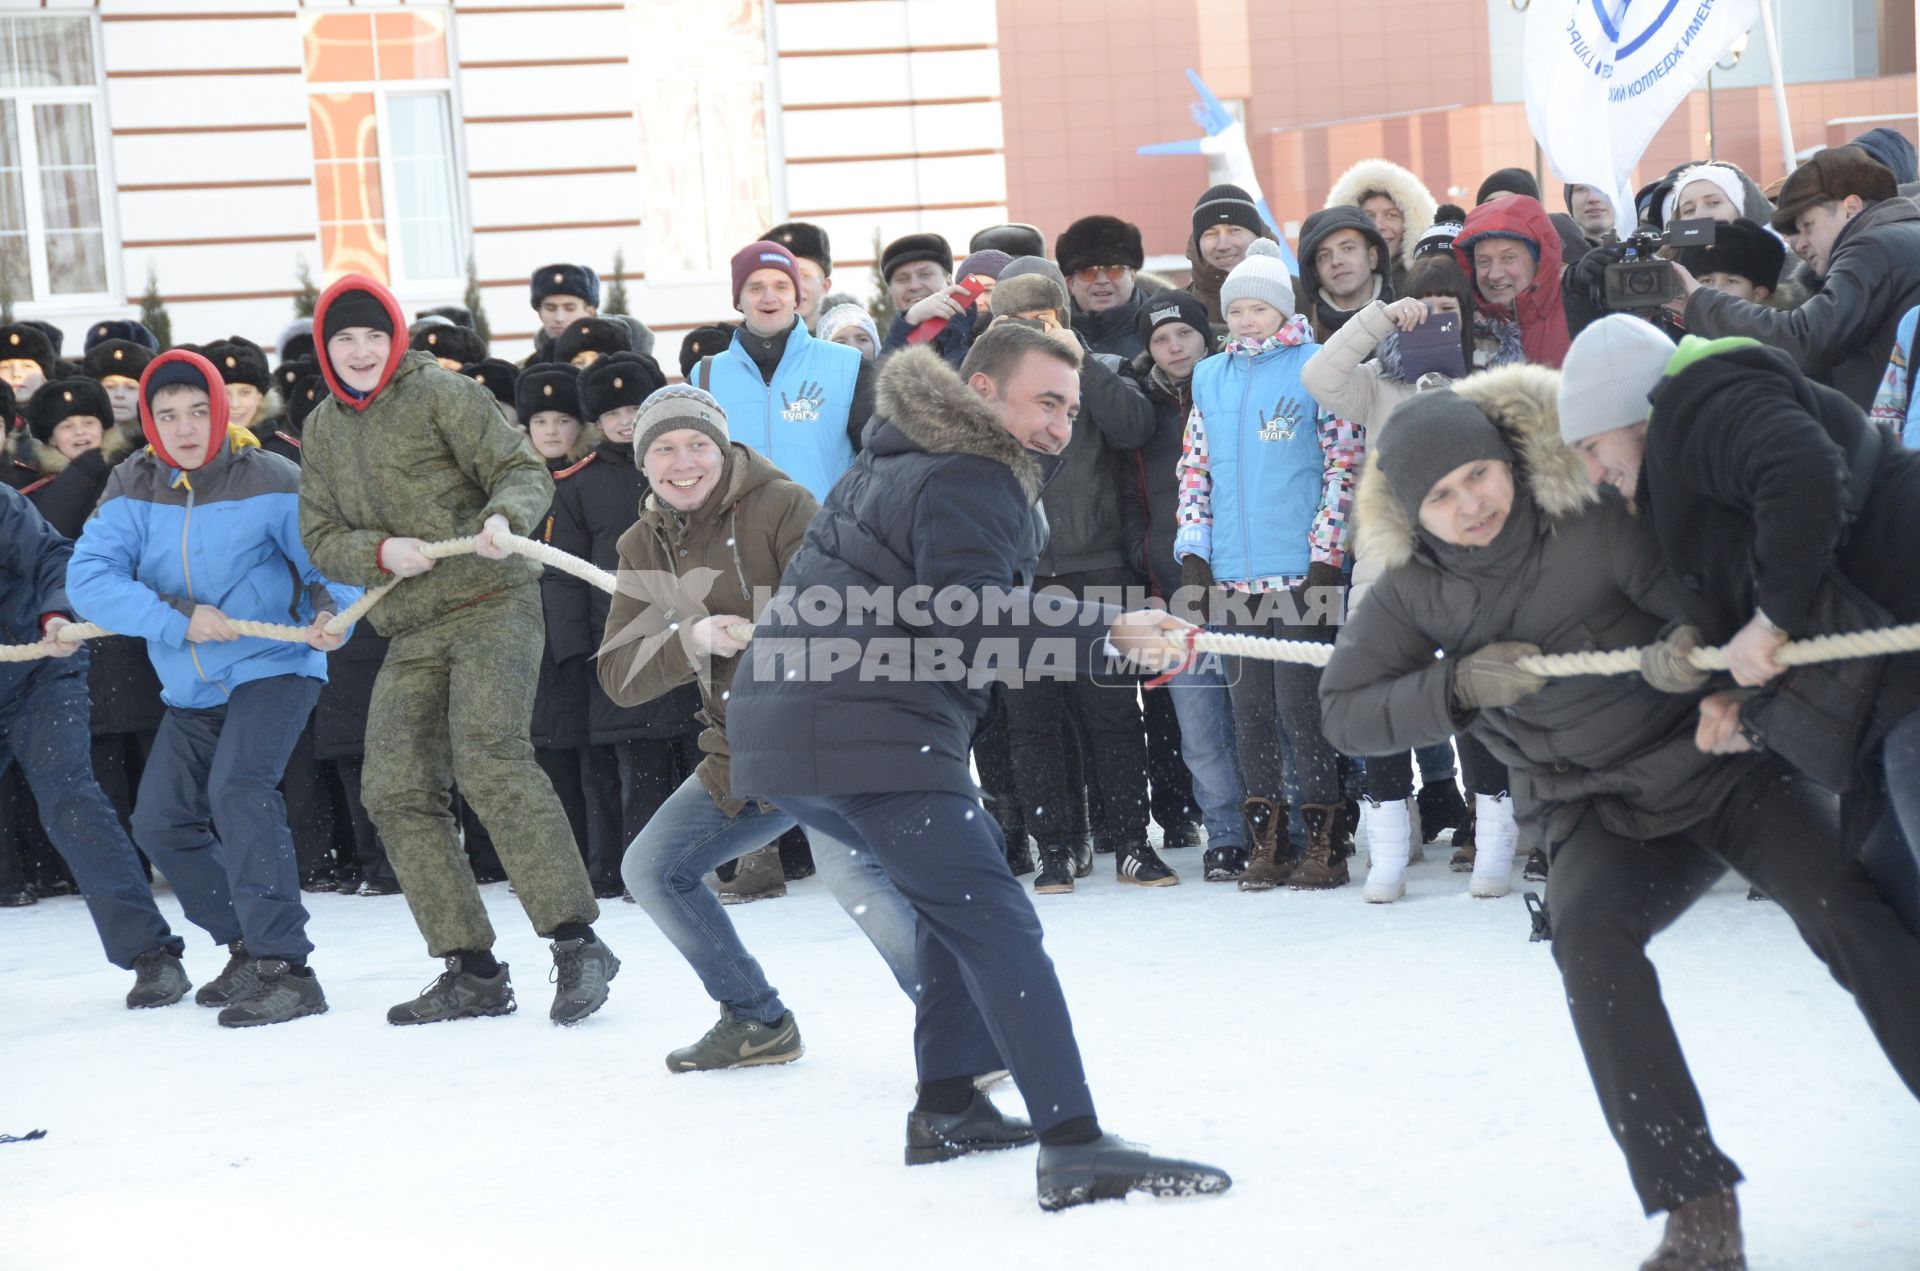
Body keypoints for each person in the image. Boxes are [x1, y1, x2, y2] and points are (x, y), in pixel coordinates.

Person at [1319, 367, 1920, 1271]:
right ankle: (1695, 1205)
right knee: (1587, 941)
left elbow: (1701, 603)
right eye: (1442, 496)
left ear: (1510, 462)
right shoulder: (1412, 591)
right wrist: (1456, 687)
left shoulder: (1591, 521)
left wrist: (1690, 658)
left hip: (1719, 772)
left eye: (1479, 474)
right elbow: (1344, 706)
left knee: (1846, 906)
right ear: (1413, 513)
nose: (1470, 504)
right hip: (1595, 806)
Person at [726, 324, 1230, 1209]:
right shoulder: (970, 468)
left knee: (955, 900)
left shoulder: (897, 453)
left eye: (1071, 408)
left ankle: (950, 1103)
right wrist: (1105, 628)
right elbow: (972, 614)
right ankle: (1073, 1143)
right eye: (1045, 401)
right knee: (994, 918)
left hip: (793, 730)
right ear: (984, 390)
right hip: (864, 727)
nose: (1061, 425)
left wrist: (1098, 634)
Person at [297, 272, 619, 1027]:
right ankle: (470, 967)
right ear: (326, 347)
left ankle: (577, 942)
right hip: (410, 622)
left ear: (395, 338)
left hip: (491, 601)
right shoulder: (319, 429)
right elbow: (318, 537)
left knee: (489, 757)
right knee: (395, 787)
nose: (361, 350)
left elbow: (520, 469)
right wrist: (379, 551)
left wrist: (506, 515)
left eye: (374, 335)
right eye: (345, 338)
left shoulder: (443, 393)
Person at [601, 384, 932, 1070]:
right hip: (745, 745)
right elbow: (621, 676)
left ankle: (967, 1021)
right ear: (642, 461)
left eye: (698, 444)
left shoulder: (783, 506)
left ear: (723, 450)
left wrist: (772, 633)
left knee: (853, 874)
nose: (683, 461)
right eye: (664, 447)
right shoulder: (645, 544)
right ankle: (756, 1018)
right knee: (653, 868)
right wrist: (690, 636)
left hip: (838, 725)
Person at [1560, 314, 1920, 934]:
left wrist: (1771, 620)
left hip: (1905, 629)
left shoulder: (1702, 401)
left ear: (1631, 412)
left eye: (1591, 447)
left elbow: (1802, 471)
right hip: (1888, 678)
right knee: (1889, 877)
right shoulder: (1684, 455)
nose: (1593, 474)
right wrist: (1743, 696)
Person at [67, 348, 361, 1027]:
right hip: (192, 684)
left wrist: (333, 612)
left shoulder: (272, 475)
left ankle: (287, 965)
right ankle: (244, 946)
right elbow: (90, 580)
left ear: (221, 411)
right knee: (160, 819)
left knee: (238, 789)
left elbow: (328, 559)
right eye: (167, 415)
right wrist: (176, 620)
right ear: (148, 421)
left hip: (273, 669)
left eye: (199, 410)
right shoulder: (130, 484)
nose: (185, 427)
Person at [1300, 256, 1524, 899]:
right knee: (1382, 706)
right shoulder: (1378, 380)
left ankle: (1493, 846)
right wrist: (1378, 319)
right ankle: (1389, 855)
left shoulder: (1496, 377)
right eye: (1423, 304)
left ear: (1470, 311)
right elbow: (1319, 374)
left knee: (1478, 700)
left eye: (1448, 305)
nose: (1436, 316)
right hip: (1388, 567)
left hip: (1476, 567)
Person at [1176, 239, 1363, 890]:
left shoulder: (1316, 366)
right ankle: (1268, 839)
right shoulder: (1210, 377)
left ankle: (1325, 840)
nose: (1248, 318)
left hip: (1299, 570)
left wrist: (1326, 551)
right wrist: (1193, 552)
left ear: (1283, 308)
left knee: (1300, 705)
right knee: (1248, 709)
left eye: (1260, 307)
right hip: (1232, 574)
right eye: (1238, 308)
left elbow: (1343, 463)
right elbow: (1195, 470)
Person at [985, 263, 1169, 892]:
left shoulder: (1097, 369)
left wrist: (1075, 353)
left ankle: (1130, 843)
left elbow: (1134, 425)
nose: (1032, 330)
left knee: (1113, 714)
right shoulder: (982, 386)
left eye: (1043, 315)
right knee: (1031, 720)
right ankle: (1056, 846)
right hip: (1016, 579)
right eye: (1016, 320)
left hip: (1097, 568)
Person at [0, 486, 203, 1007]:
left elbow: (52, 554)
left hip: (39, 665)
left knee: (70, 801)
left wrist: (55, 613)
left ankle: (152, 955)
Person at [549, 354, 705, 899]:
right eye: (612, 412)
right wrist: (574, 650)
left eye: (634, 408)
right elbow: (563, 573)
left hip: (689, 632)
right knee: (634, 766)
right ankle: (630, 867)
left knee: (700, 755)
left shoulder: (683, 469)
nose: (623, 421)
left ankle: (703, 864)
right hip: (617, 642)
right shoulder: (577, 485)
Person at [1120, 289, 1249, 880]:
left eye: (1185, 335)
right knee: (1199, 729)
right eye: (1160, 339)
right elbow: (1130, 502)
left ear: (1207, 336)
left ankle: (1283, 822)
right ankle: (1225, 832)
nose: (1174, 347)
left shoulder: (1237, 387)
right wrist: (1144, 568)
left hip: (1248, 580)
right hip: (1174, 590)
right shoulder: (1141, 409)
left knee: (1260, 716)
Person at [1674, 145, 1920, 410]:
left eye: (1807, 226)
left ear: (1850, 207)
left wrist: (1701, 302)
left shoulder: (1872, 247)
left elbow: (1807, 339)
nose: (1799, 245)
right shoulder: (1897, 238)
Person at [691, 240, 873, 502]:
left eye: (781, 286)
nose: (769, 297)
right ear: (738, 300)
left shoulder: (848, 367)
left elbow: (881, 465)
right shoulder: (705, 376)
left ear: (796, 297)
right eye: (755, 288)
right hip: (737, 540)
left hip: (824, 537)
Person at [1455, 194, 1572, 368]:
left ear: (1539, 261)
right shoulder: (1462, 322)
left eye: (1508, 258)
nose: (1494, 274)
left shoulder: (1577, 307)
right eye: (1483, 261)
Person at [1325, 158, 1439, 292]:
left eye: (1391, 215)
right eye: (1368, 216)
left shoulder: (1428, 284)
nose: (1379, 226)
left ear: (1410, 222)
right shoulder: (1333, 286)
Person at [1186, 183, 1280, 333]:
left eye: (1234, 230)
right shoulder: (1180, 308)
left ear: (1258, 236)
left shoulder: (1298, 294)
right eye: (1211, 234)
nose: (1223, 245)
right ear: (1197, 245)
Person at [1296, 205, 1396, 342]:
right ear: (1315, 273)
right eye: (1324, 255)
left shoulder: (1407, 317)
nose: (1336, 261)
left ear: (1373, 257)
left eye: (1348, 248)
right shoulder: (1301, 336)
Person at [1055, 214, 1148, 357]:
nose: (1102, 280)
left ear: (1132, 276)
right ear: (1070, 283)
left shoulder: (1162, 327)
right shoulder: (1052, 335)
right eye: (1088, 272)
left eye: (1114, 270)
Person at [877, 232, 975, 367]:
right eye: (902, 279)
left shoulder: (979, 330)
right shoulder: (882, 348)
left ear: (948, 281)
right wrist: (909, 321)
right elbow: (877, 384)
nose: (914, 286)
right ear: (890, 292)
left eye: (925, 274)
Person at [762, 221, 834, 331]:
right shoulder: (742, 346)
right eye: (784, 276)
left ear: (824, 286)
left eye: (803, 276)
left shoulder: (851, 342)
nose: (794, 286)